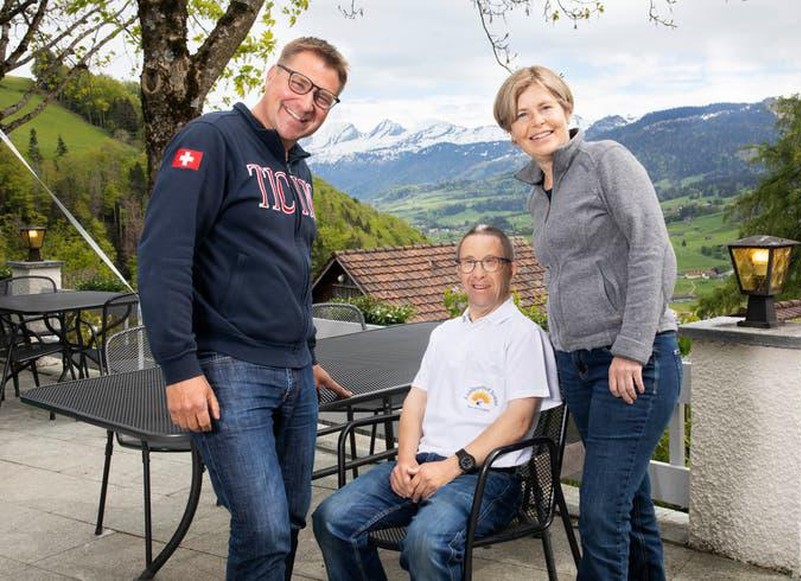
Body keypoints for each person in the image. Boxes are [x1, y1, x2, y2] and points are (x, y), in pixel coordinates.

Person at [137, 37, 352, 580]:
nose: (306, 104)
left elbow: (293, 271)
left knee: (288, 521)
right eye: (299, 83)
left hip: (295, 373)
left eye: (323, 98)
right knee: (263, 528)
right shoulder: (212, 140)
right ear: (270, 74)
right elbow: (164, 257)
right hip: (230, 370)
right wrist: (180, 370)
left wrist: (306, 352)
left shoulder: (297, 170)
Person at [493, 66, 682, 580]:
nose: (536, 122)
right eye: (521, 115)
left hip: (631, 364)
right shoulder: (539, 191)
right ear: (510, 130)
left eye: (546, 108)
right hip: (577, 366)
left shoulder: (606, 160)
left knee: (598, 514)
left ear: (567, 109)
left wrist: (631, 348)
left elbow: (653, 252)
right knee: (630, 507)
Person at [312, 224, 561, 580]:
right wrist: (404, 460)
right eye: (469, 262)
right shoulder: (444, 334)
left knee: (427, 539)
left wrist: (451, 467)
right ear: (458, 269)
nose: (478, 273)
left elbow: (519, 420)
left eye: (490, 261)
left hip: (488, 476)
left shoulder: (524, 336)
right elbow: (415, 401)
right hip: (423, 464)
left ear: (511, 268)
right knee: (332, 518)